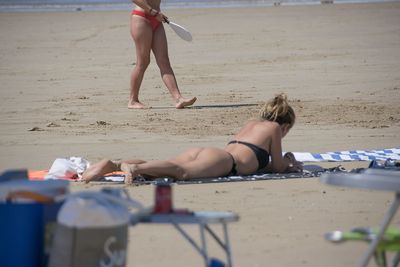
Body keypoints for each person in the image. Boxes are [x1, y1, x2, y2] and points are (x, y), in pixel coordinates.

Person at [83, 93, 303, 184]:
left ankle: (115, 164)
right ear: (284, 125)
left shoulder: (251, 124)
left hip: (213, 153)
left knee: (171, 165)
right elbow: (276, 166)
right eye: (287, 130)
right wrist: (290, 163)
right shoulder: (275, 128)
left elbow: (256, 161)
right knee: (181, 173)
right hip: (226, 163)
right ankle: (134, 169)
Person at [129, 0, 197, 109]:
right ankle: (133, 100)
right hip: (142, 18)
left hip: (157, 19)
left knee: (164, 61)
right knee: (143, 62)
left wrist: (156, 14)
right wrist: (153, 12)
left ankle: (178, 98)